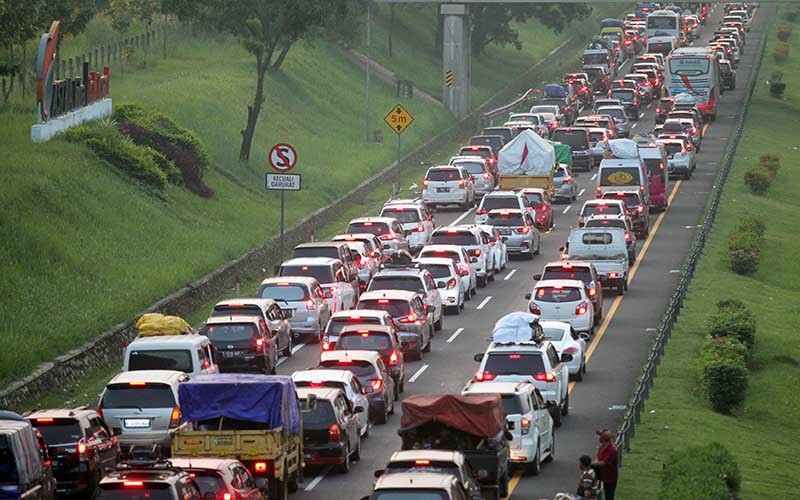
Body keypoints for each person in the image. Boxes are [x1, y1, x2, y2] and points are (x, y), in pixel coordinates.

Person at [593, 429, 619, 500]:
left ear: (603, 438)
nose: (599, 438)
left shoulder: (611, 450)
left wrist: (591, 464)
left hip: (609, 477)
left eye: (600, 436)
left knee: (609, 496)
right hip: (602, 475)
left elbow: (604, 463)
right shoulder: (602, 447)